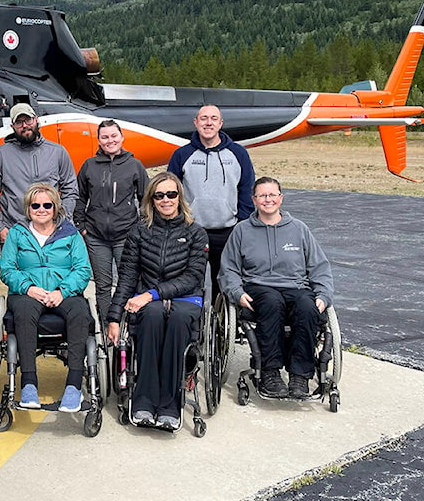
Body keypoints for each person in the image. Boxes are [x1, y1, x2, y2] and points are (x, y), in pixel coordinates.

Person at [105, 171, 208, 430]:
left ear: (179, 197)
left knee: (178, 319)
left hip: (185, 298)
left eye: (171, 194)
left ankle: (169, 406)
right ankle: (143, 402)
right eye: (159, 195)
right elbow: (127, 276)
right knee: (150, 317)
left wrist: (152, 294)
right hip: (149, 300)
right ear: (151, 199)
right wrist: (114, 317)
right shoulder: (139, 232)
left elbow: (193, 276)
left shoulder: (196, 233)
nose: (165, 200)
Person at [218, 176, 334, 399]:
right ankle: (270, 372)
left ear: (281, 198)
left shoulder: (299, 229)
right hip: (258, 287)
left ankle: (300, 376)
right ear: (254, 199)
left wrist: (323, 295)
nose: (267, 199)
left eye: (272, 195)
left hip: (295, 286)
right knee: (272, 302)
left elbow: (319, 266)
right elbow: (229, 269)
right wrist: (237, 293)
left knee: (307, 307)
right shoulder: (242, 231)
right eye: (262, 195)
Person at [0, 183, 92, 412]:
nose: (41, 209)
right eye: (35, 205)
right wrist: (29, 288)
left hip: (63, 293)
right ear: (28, 209)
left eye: (47, 205)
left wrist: (62, 292)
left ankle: (74, 386)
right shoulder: (17, 234)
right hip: (28, 293)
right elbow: (7, 269)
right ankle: (29, 382)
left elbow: (82, 269)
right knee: (24, 311)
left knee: (80, 312)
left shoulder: (70, 234)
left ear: (55, 208)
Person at [167, 104, 255, 299]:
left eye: (214, 118)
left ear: (221, 123)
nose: (209, 123)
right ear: (196, 123)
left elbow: (246, 189)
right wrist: (178, 223)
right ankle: (192, 325)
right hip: (190, 231)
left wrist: (241, 223)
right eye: (204, 118)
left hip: (227, 232)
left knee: (222, 285)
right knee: (188, 283)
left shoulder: (238, 154)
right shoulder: (182, 155)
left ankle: (220, 326)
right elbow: (170, 192)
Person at [75, 119, 149, 322]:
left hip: (126, 236)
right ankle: (108, 329)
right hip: (96, 238)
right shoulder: (89, 166)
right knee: (103, 285)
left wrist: (140, 229)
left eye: (114, 136)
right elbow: (80, 197)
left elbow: (146, 199)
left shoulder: (134, 165)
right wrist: (81, 226)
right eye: (105, 137)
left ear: (122, 137)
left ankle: (127, 324)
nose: (110, 140)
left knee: (128, 282)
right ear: (98, 140)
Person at [0, 103, 78, 246]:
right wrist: (0, 227)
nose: (24, 125)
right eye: (19, 122)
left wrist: (63, 219)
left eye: (28, 120)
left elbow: (70, 189)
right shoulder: (0, 154)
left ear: (36, 120)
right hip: (14, 231)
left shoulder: (57, 152)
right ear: (12, 126)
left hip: (52, 233)